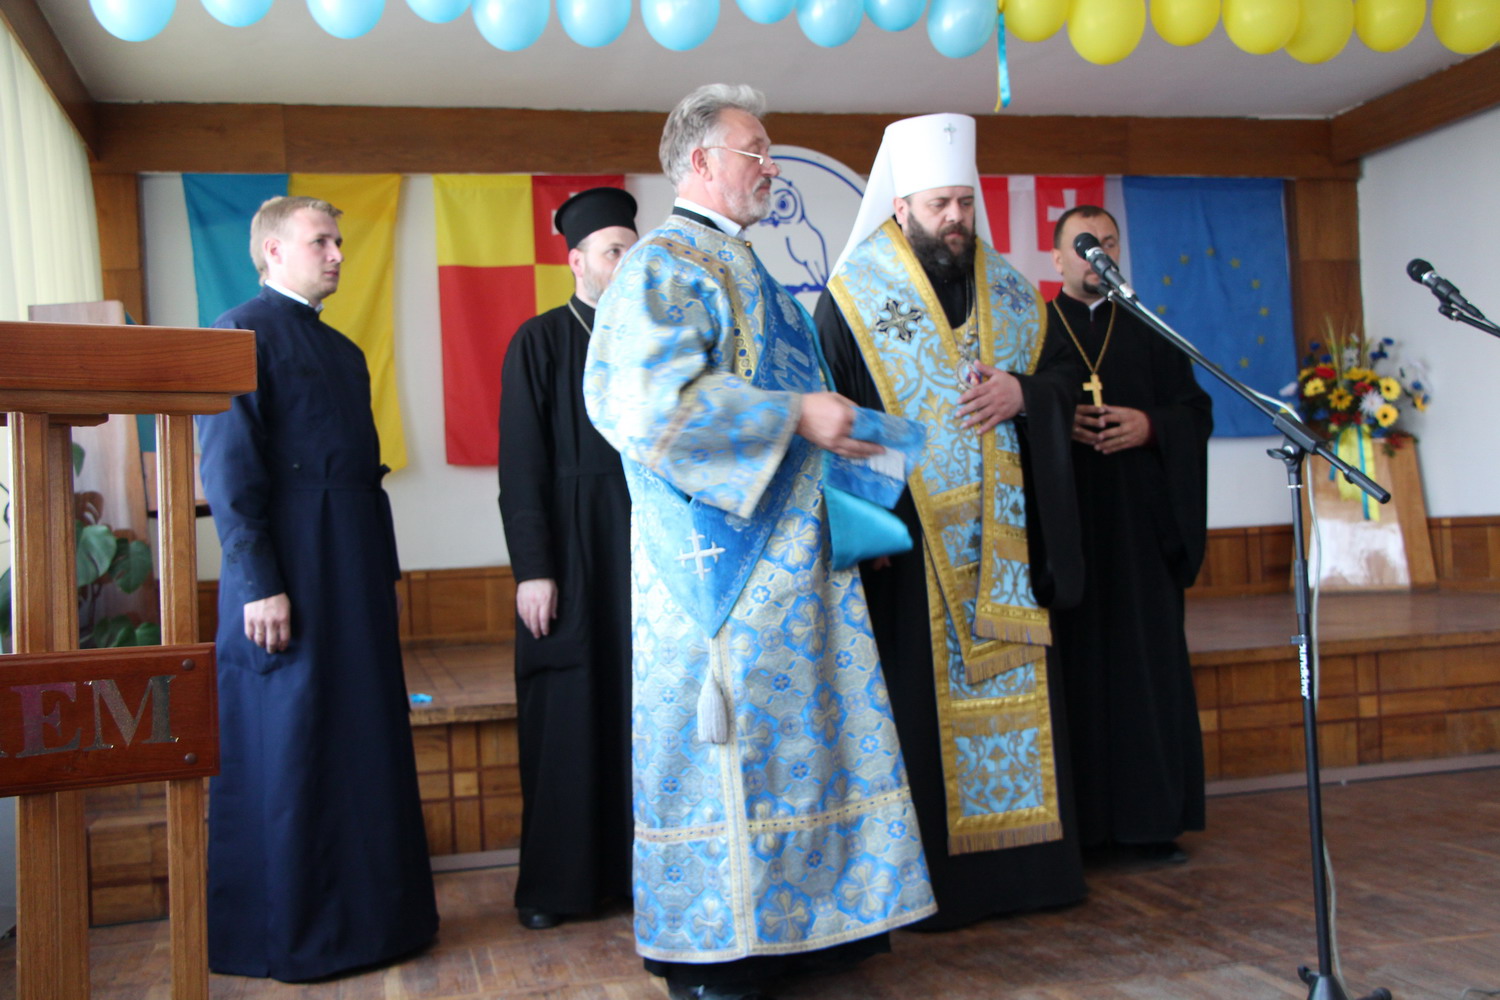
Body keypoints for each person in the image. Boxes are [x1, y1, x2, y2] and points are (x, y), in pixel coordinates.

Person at [584, 84, 936, 1000]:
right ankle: (726, 947)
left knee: (805, 753)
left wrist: (854, 479)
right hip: (719, 574)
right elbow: (642, 405)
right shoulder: (662, 266)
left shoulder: (751, 270)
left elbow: (803, 413)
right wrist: (794, 413)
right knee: (733, 758)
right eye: (756, 150)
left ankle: (807, 931)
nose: (771, 167)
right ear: (701, 162)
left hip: (794, 566)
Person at [815, 113, 1089, 931]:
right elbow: (836, 413)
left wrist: (1024, 394)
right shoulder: (854, 296)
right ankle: (936, 891)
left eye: (964, 203)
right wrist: (864, 529)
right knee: (921, 713)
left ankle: (1031, 877)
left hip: (1009, 548)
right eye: (940, 205)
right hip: (912, 550)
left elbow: (1065, 382)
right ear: (901, 207)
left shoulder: (1012, 292)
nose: (956, 219)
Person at [196, 195, 439, 981]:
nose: (337, 254)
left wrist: (382, 575)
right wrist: (258, 584)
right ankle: (291, 936)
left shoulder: (343, 351)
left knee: (362, 741)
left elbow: (362, 479)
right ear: (272, 251)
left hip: (353, 573)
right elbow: (230, 476)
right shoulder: (237, 334)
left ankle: (378, 924)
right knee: (292, 746)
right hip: (287, 576)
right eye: (320, 242)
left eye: (338, 240)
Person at [1042, 205, 1213, 860]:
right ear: (1057, 259)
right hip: (1069, 529)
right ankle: (1081, 831)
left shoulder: (1149, 328)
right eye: (1085, 245)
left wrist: (1150, 426)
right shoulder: (1034, 328)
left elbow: (1195, 412)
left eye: (1108, 244)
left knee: (1146, 668)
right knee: (1077, 672)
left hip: (1140, 531)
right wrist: (1057, 420)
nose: (1099, 255)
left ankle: (1150, 823)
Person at [498, 186, 638, 931]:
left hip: (643, 549)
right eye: (613, 251)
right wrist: (534, 570)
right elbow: (520, 468)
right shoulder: (540, 341)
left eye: (632, 250)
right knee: (568, 712)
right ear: (577, 261)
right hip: (570, 551)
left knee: (640, 712)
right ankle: (559, 886)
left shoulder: (655, 341)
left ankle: (642, 873)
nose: (625, 263)